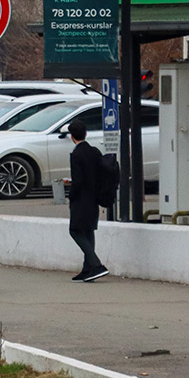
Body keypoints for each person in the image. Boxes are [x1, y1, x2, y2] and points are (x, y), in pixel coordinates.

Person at [67, 119, 110, 282]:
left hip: (81, 199)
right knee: (88, 230)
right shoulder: (94, 152)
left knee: (75, 231)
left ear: (72, 136)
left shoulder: (76, 155)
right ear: (85, 134)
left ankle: (96, 264)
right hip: (94, 197)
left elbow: (78, 180)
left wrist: (71, 194)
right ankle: (88, 269)